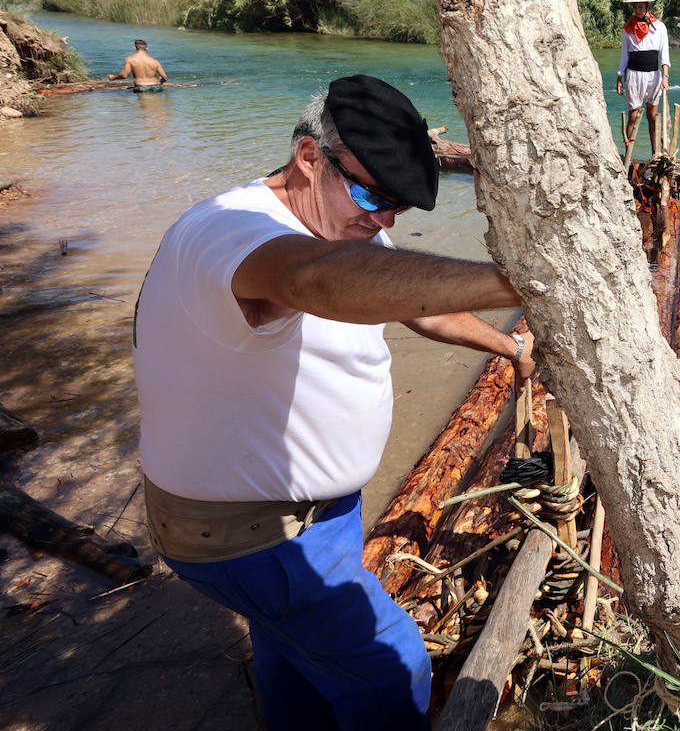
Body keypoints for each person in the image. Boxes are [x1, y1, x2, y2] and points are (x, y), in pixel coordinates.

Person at [133, 74, 536, 730]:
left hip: (312, 519)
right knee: (393, 667)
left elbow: (414, 304)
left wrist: (510, 347)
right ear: (308, 156)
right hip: (261, 540)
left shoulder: (342, 225)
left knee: (293, 658)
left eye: (396, 208)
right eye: (371, 193)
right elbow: (310, 279)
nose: (381, 219)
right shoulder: (228, 232)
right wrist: (525, 281)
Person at [615, 0, 671, 158]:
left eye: (641, 6)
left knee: (652, 116)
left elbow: (664, 54)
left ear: (647, 6)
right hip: (634, 75)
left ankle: (655, 152)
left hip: (653, 75)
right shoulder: (628, 29)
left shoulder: (659, 27)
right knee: (633, 115)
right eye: (635, 7)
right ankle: (628, 155)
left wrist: (665, 76)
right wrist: (619, 77)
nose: (638, 9)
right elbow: (625, 54)